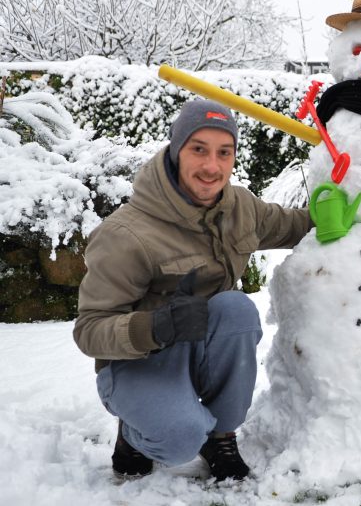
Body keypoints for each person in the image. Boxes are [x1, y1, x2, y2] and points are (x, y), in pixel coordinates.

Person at [74, 99, 314, 480]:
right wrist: (154, 327)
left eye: (224, 152)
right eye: (198, 149)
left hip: (201, 346)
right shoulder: (127, 234)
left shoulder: (239, 208)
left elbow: (293, 225)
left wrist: (341, 206)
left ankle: (220, 435)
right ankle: (136, 436)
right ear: (175, 151)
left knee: (237, 310)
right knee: (178, 440)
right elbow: (89, 331)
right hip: (136, 364)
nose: (211, 167)